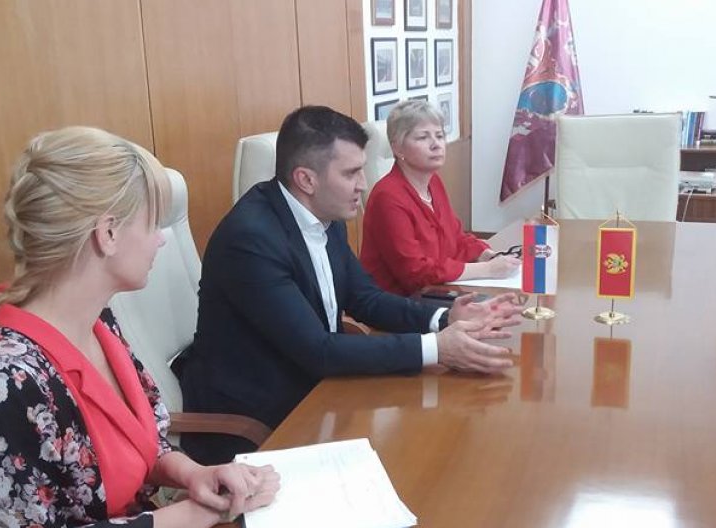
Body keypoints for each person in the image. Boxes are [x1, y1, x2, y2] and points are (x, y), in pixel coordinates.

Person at [0, 126, 280, 528]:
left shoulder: (98, 323)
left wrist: (195, 474)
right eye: (152, 223)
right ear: (108, 233)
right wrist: (191, 513)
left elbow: (144, 443)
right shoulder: (3, 381)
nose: (162, 238)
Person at [178, 106, 521, 466]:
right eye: (351, 173)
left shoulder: (326, 215)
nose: (363, 184)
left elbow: (364, 298)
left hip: (318, 389)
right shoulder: (251, 239)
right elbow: (318, 350)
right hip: (259, 418)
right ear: (306, 180)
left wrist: (445, 318)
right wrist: (437, 348)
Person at [360, 100, 520, 295]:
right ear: (397, 149)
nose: (436, 145)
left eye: (439, 135)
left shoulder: (433, 182)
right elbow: (415, 273)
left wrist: (488, 255)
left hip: (439, 292)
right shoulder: (387, 197)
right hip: (403, 303)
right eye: (423, 137)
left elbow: (457, 238)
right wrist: (487, 270)